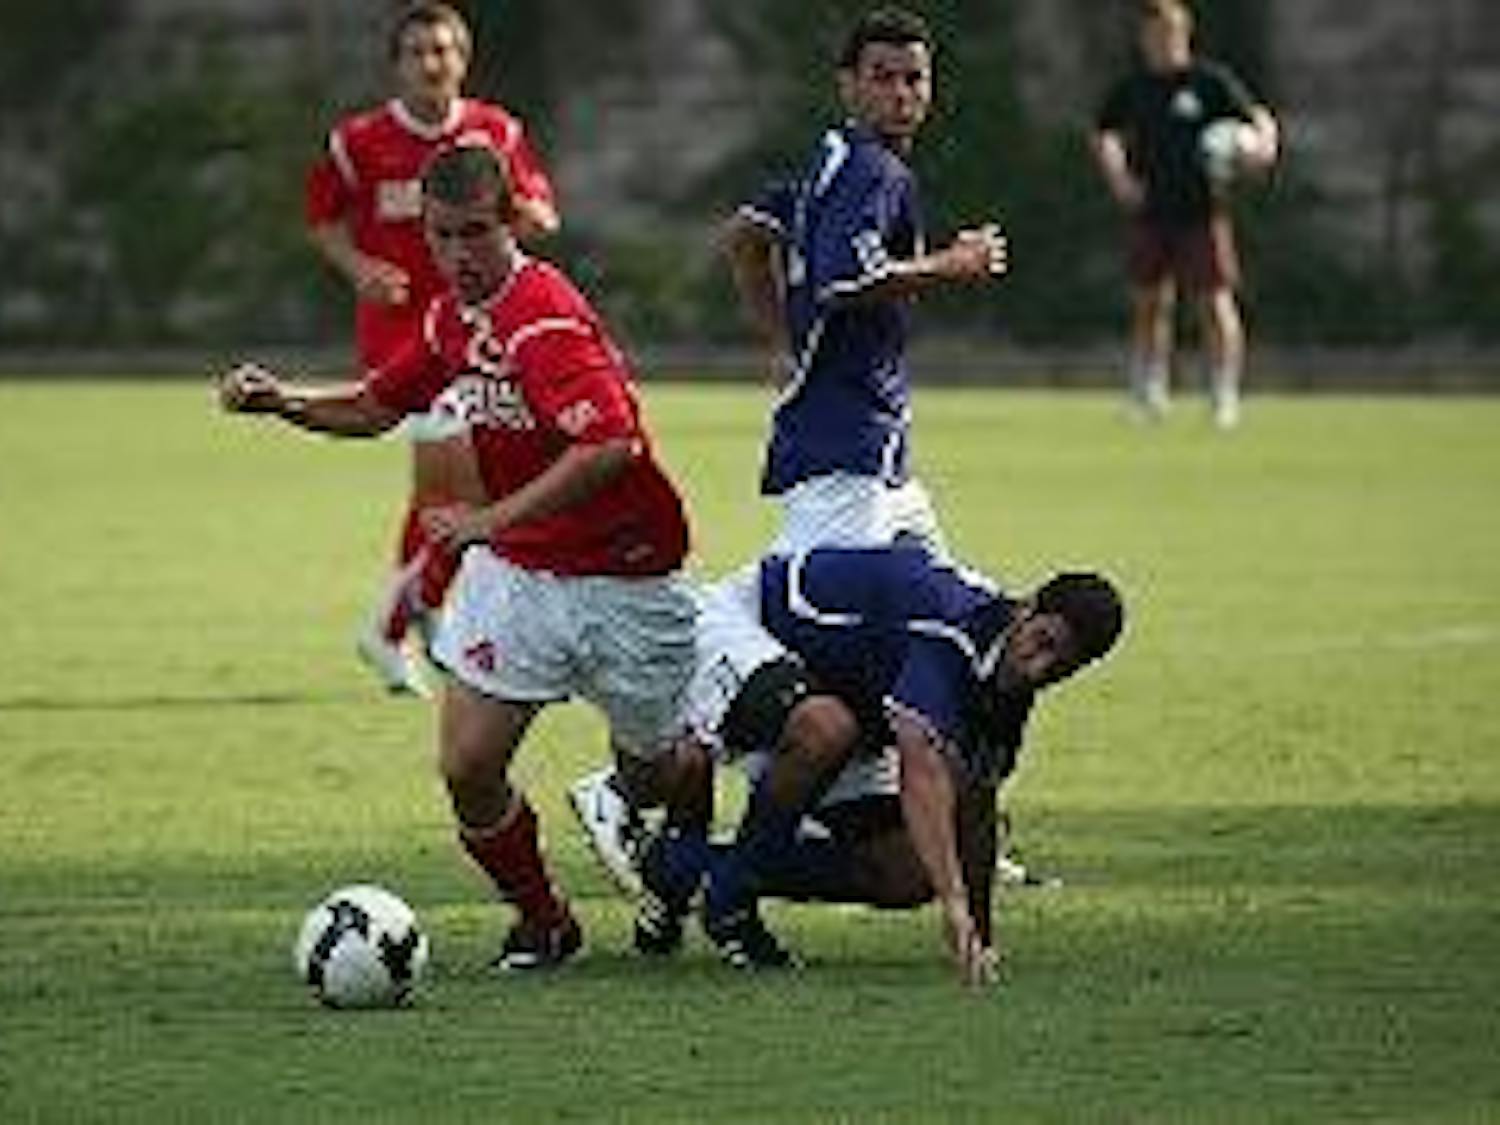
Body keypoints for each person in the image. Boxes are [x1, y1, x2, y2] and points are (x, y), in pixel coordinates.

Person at [220, 143, 697, 971]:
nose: (458, 255)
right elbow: (375, 406)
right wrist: (281, 403)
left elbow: (611, 444)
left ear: (511, 222)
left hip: (628, 577)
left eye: (475, 233)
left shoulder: (543, 316)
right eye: (442, 236)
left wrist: (487, 518)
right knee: (468, 765)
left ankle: (682, 859)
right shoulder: (449, 316)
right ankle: (545, 923)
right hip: (520, 575)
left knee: (660, 775)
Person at [567, 5, 1009, 882]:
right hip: (843, 452)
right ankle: (631, 779)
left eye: (913, 76)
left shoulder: (829, 160)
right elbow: (851, 281)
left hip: (876, 455)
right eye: (881, 75)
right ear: (848, 83)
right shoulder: (871, 168)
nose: (899, 91)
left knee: (962, 623)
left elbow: (741, 239)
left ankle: (973, 832)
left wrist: (784, 344)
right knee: (787, 615)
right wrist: (951, 266)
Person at [634, 546, 1124, 985]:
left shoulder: (1010, 685)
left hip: (837, 697)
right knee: (826, 728)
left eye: (1062, 666)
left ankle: (684, 867)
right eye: (1043, 642)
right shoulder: (953, 625)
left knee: (908, 869)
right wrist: (952, 905)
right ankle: (720, 896)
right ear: (1028, 607)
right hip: (742, 624)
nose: (1039, 668)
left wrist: (979, 932)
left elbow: (976, 806)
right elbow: (922, 768)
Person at [304, 1, 560, 696]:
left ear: (463, 59)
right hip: (401, 343)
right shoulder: (359, 141)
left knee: (455, 489)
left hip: (481, 338)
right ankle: (405, 623)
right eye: (418, 51)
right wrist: (359, 268)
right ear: (397, 64)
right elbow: (322, 219)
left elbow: (538, 205)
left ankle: (419, 622)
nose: (431, 63)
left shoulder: (494, 132)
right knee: (458, 488)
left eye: (443, 50)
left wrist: (531, 214)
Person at [1092, 0, 1279, 429]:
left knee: (1214, 303)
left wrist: (1264, 146)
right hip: (1151, 211)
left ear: (1184, 35)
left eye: (1170, 34)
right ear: (1144, 38)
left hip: (1202, 211)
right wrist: (1119, 177)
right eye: (1154, 35)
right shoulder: (1134, 87)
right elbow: (1104, 132)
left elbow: (1258, 119)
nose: (1162, 43)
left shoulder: (1209, 82)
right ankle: (1148, 392)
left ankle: (1223, 395)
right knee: (1149, 304)